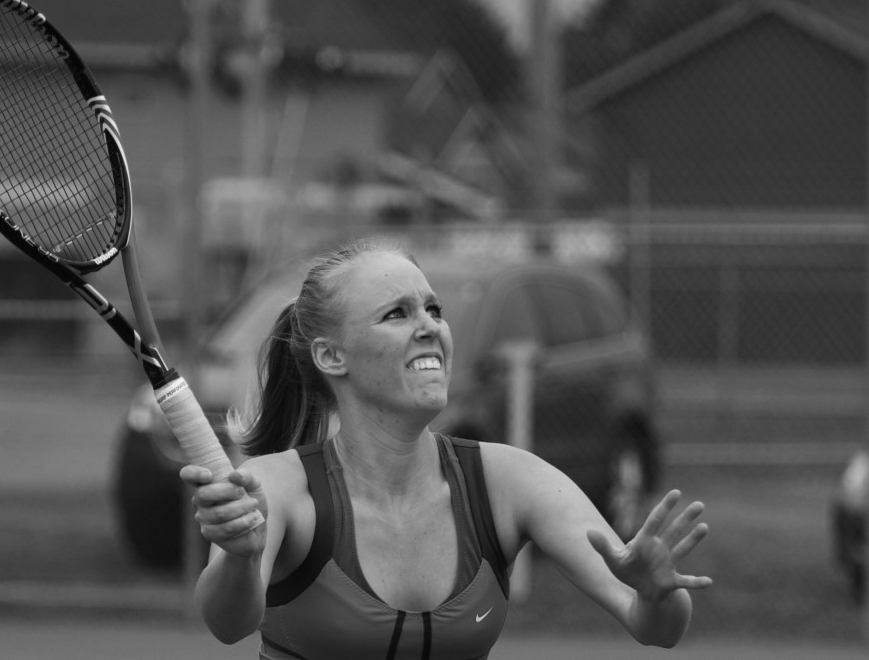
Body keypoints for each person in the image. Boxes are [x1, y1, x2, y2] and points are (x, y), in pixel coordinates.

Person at [181, 238, 712, 660]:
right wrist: (239, 558)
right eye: (397, 314)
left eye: (434, 309)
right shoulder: (277, 486)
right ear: (331, 355)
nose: (430, 327)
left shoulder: (507, 480)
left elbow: (653, 629)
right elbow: (227, 625)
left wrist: (656, 594)